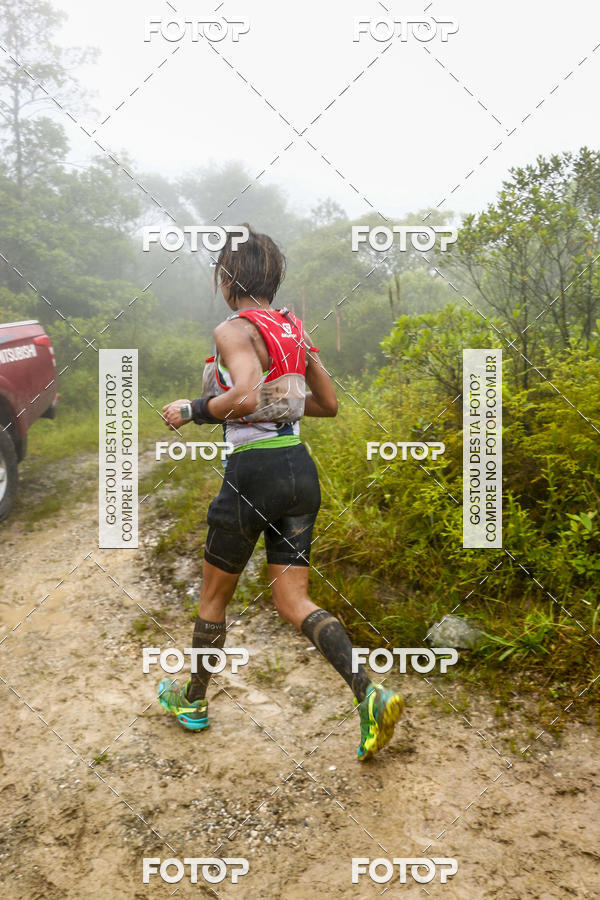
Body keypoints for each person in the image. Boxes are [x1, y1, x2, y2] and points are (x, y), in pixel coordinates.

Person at [158, 226, 403, 761]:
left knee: (213, 599)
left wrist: (194, 409)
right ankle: (370, 693)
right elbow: (327, 404)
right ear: (273, 278)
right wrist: (274, 403)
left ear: (228, 279)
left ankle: (193, 702)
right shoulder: (294, 329)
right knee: (294, 600)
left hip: (252, 475)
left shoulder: (234, 329)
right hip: (299, 471)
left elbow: (242, 395)